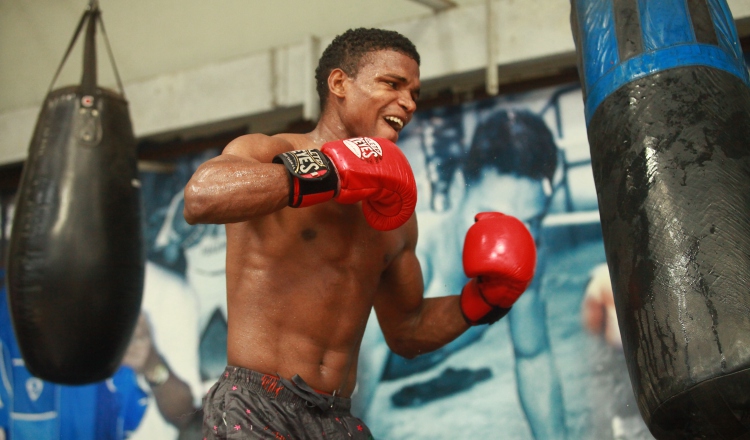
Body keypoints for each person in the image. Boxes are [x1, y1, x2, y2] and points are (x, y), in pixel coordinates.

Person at [183, 27, 538, 439]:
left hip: (334, 416)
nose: (407, 103)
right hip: (256, 403)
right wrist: (328, 172)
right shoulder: (267, 151)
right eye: (392, 84)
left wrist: (481, 301)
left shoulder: (396, 215)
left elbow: (408, 330)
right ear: (339, 84)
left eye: (414, 95)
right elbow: (201, 197)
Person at [374, 108, 568, 439]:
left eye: (529, 222)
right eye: (495, 216)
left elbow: (533, 357)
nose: (505, 242)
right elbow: (344, 393)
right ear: (462, 189)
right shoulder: (407, 258)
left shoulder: (524, 253)